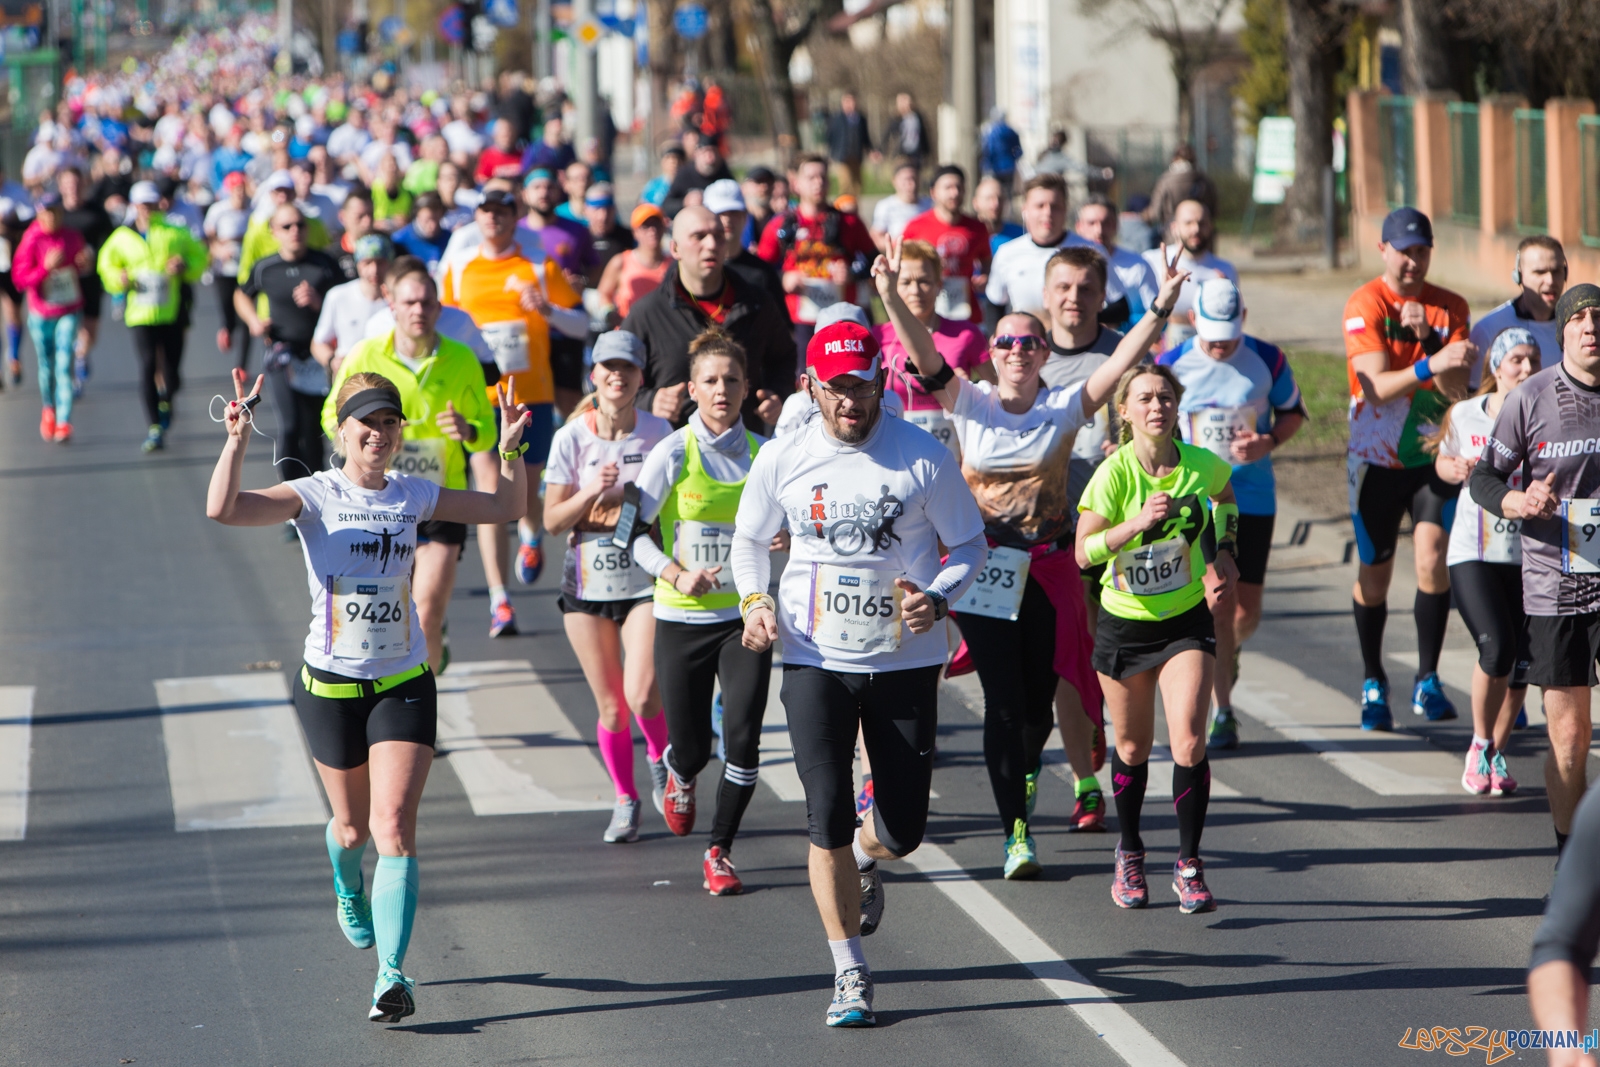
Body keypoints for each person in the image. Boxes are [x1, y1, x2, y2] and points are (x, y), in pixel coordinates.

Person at [206, 367, 530, 1023]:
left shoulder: (413, 492)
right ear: (341, 428)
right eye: (368, 423)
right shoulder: (314, 494)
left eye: (389, 422)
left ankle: (392, 974)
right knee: (352, 828)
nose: (379, 434)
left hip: (404, 681)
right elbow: (225, 508)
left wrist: (511, 449)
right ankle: (346, 881)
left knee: (394, 828)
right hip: (329, 685)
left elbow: (505, 508)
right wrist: (236, 440)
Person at [879, 238, 1185, 877]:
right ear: (991, 356)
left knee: (1041, 705)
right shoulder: (968, 402)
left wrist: (1159, 305)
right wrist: (887, 294)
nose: (1018, 352)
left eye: (1030, 343)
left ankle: (1025, 785)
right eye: (1008, 343)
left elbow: (1123, 357)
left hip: (1049, 570)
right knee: (1005, 701)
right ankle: (1016, 829)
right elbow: (925, 353)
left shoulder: (1062, 408)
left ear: (1046, 355)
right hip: (984, 568)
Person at [733, 320, 987, 1027]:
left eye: (863, 386)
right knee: (827, 814)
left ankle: (873, 856)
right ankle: (849, 970)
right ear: (811, 386)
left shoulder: (920, 458)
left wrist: (937, 596)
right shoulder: (784, 457)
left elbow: (969, 542)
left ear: (882, 381)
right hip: (814, 657)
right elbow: (749, 541)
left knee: (902, 829)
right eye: (837, 388)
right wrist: (754, 601)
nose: (851, 401)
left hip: (902, 660)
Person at [1076, 338, 1242, 916]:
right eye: (1145, 398)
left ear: (1178, 406)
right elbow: (1083, 554)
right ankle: (1130, 851)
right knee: (1131, 745)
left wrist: (1224, 550)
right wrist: (1135, 525)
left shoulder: (1200, 465)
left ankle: (1190, 863)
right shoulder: (1113, 476)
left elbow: (1225, 497)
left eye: (1165, 397)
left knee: (1190, 740)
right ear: (1124, 410)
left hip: (1184, 621)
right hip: (1124, 627)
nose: (1156, 406)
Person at [631, 328, 780, 891]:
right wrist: (675, 573)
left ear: (747, 389)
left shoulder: (767, 455)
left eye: (732, 381)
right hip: (681, 617)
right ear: (691, 388)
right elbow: (632, 535)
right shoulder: (671, 452)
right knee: (694, 746)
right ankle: (679, 770)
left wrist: (787, 537)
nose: (722, 390)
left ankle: (720, 850)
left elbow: (791, 521)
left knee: (742, 735)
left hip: (746, 616)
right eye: (711, 381)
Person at [1470, 284, 1600, 856]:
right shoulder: (1530, 397)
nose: (1591, 326)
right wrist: (1518, 502)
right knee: (1570, 740)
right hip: (1557, 587)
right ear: (1563, 331)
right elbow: (1484, 479)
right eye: (1580, 318)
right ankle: (1570, 861)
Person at [324, 262, 497, 674]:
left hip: (438, 500)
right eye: (409, 302)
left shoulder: (462, 359)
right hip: (378, 500)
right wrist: (357, 447)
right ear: (391, 305)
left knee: (425, 612)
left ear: (439, 309)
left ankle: (423, 715)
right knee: (391, 613)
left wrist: (468, 429)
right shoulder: (367, 354)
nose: (418, 310)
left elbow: (488, 432)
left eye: (426, 302)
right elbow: (331, 415)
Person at [1156, 279, 1305, 750]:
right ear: (1193, 319)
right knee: (1217, 602)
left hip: (1252, 494)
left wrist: (1268, 441)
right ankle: (1224, 711)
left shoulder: (1268, 358)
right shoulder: (1172, 362)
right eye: (1211, 332)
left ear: (1243, 316)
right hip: (1195, 499)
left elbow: (1293, 413)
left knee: (1246, 609)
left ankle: (1229, 652)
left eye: (1229, 332)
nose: (1220, 344)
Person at [1344, 207, 1474, 731]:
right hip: (1375, 458)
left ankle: (1428, 677)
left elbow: (1459, 390)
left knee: (1432, 559)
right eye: (1403, 250)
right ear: (1383, 250)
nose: (1412, 261)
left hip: (1432, 454)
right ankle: (1373, 678)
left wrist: (1431, 341)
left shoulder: (1451, 306)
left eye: (1421, 250)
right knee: (1375, 574)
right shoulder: (1365, 302)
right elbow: (1374, 387)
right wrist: (1427, 364)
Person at [544, 330, 674, 842]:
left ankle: (662, 764)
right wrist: (589, 493)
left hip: (642, 577)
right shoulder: (571, 437)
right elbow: (552, 521)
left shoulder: (660, 431)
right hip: (587, 581)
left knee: (642, 694)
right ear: (593, 376)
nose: (616, 376)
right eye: (607, 368)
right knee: (612, 706)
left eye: (627, 368)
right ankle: (626, 798)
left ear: (640, 378)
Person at [441, 186, 587, 632]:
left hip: (530, 394)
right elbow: (444, 324)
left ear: (514, 217)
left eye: (502, 212)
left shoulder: (538, 266)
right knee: (489, 491)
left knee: (525, 488)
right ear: (478, 217)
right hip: (480, 398)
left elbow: (580, 323)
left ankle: (529, 533)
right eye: (486, 212)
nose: (493, 220)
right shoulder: (459, 267)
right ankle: (499, 600)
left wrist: (547, 310)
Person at [1434, 328, 1537, 796]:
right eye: (1516, 359)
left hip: (1528, 555)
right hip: (1472, 552)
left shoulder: (1544, 416)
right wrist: (1450, 469)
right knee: (1495, 648)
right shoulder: (1465, 414)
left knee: (1521, 663)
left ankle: (1496, 750)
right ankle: (1478, 744)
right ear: (1496, 367)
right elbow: (1443, 459)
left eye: (1533, 359)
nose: (1526, 368)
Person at [623, 206, 793, 432]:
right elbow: (613, 376)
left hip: (745, 449)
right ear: (675, 248)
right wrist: (649, 401)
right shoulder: (648, 312)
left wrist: (778, 394)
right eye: (699, 236)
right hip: (675, 453)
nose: (712, 245)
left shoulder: (757, 303)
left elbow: (785, 356)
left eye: (719, 236)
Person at [234, 204, 345, 481]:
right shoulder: (266, 267)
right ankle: (290, 494)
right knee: (291, 425)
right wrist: (254, 322)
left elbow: (345, 304)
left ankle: (319, 490)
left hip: (320, 356)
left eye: (300, 225)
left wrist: (318, 302)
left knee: (317, 427)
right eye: (287, 226)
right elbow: (241, 294)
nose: (295, 231)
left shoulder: (325, 264)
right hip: (283, 354)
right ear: (274, 232)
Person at [98, 180, 209, 453]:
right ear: (134, 206)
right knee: (147, 366)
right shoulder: (122, 237)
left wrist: (184, 266)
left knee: (172, 370)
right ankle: (154, 426)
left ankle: (167, 399)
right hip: (140, 312)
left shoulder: (174, 231)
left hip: (171, 311)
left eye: (150, 204)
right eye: (142, 205)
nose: (147, 210)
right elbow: (106, 265)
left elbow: (200, 258)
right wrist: (119, 278)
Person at [873, 238, 989, 460]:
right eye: (905, 282)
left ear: (939, 285)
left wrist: (968, 388)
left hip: (954, 457)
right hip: (898, 454)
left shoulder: (966, 333)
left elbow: (996, 392)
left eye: (924, 281)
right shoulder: (878, 336)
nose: (916, 290)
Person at [757, 155, 877, 359]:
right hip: (799, 319)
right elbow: (759, 271)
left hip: (842, 316)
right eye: (811, 177)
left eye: (823, 177)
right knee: (805, 377)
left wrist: (852, 273)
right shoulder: (781, 225)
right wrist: (783, 279)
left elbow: (874, 262)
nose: (818, 182)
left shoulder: (849, 223)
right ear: (796, 183)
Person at [11, 193, 88, 443]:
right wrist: (45, 267)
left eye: (55, 212)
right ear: (39, 214)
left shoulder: (71, 236)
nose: (51, 217)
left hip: (68, 309)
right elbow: (20, 280)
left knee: (64, 364)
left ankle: (64, 421)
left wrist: (82, 263)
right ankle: (49, 408)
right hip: (41, 313)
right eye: (46, 213)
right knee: (47, 366)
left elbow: (81, 266)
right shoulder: (31, 240)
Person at [1467, 234, 1566, 386]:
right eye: (1540, 272)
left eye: (1557, 271)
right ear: (1519, 276)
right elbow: (1476, 395)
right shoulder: (1489, 329)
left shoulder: (1580, 325)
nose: (1551, 280)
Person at [903, 166, 992, 326]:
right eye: (948, 188)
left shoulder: (977, 228)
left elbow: (986, 259)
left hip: (966, 311)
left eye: (959, 187)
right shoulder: (915, 227)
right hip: (924, 310)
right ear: (933, 192)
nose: (954, 193)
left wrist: (984, 276)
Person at [1142, 199, 1237, 347]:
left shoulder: (1225, 269)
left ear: (1210, 227)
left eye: (1202, 223)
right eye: (1188, 223)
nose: (1196, 229)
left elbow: (1233, 322)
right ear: (1174, 227)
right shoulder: (1151, 261)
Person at [984, 172, 1072, 321]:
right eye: (1040, 206)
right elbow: (994, 304)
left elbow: (1118, 306)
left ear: (1065, 209)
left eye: (1055, 206)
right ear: (1025, 210)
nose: (1047, 213)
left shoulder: (1088, 251)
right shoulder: (1007, 253)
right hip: (1025, 342)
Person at [57, 166, 114, 392]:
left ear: (84, 185)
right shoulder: (56, 214)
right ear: (61, 187)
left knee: (90, 327)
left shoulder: (96, 213)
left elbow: (111, 242)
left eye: (77, 184)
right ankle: (71, 373)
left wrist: (93, 256)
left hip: (91, 277)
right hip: (63, 281)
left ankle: (81, 355)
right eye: (68, 184)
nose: (73, 189)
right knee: (68, 327)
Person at [1069, 194, 1161, 329]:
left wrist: (1122, 321)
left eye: (1106, 222)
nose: (1099, 230)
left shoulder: (1138, 265)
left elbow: (1155, 313)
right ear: (1079, 226)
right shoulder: (1068, 266)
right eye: (1091, 223)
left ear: (1116, 225)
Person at [703, 178, 786, 316]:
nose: (727, 219)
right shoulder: (688, 270)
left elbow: (783, 330)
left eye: (733, 212)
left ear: (745, 216)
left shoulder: (763, 273)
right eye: (720, 213)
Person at [313, 234, 393, 377]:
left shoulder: (398, 300)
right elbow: (318, 343)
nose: (374, 270)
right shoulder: (338, 295)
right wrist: (332, 361)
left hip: (387, 378)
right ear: (358, 264)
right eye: (367, 262)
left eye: (380, 262)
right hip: (349, 379)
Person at [205, 171, 254, 370]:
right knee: (228, 310)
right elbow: (209, 239)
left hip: (245, 270)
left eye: (242, 189)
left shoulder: (252, 211)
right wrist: (219, 251)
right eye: (236, 190)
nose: (240, 194)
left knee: (246, 319)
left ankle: (242, 366)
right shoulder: (218, 210)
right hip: (224, 269)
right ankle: (226, 329)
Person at [597, 203, 671, 323]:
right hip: (630, 331)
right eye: (645, 226)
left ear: (663, 227)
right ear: (635, 232)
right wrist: (609, 313)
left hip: (662, 331)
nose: (652, 230)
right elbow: (603, 294)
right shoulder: (621, 262)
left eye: (656, 224)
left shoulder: (674, 264)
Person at [1146, 145, 1219, 239]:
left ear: (1174, 158)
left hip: (1173, 233)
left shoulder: (1165, 181)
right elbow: (1214, 210)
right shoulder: (1204, 180)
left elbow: (1155, 212)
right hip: (1201, 235)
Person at [663, 138, 735, 219]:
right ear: (696, 154)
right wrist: (685, 202)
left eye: (713, 152)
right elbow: (666, 206)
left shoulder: (724, 174)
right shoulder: (684, 174)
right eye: (705, 152)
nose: (710, 158)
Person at [869, 161, 931, 249]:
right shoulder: (885, 206)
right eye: (906, 180)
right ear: (894, 181)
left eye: (914, 179)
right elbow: (876, 238)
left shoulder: (930, 204)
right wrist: (898, 246)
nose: (911, 184)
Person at [826, 93, 874, 199]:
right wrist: (831, 153)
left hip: (856, 156)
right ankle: (843, 207)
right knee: (845, 183)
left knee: (857, 184)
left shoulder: (861, 119)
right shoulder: (836, 118)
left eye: (852, 102)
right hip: (842, 156)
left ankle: (854, 207)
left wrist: (870, 150)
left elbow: (865, 137)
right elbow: (830, 137)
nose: (850, 105)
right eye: (847, 102)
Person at [391, 193, 450, 275]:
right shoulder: (399, 241)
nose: (433, 225)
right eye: (427, 220)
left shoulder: (450, 238)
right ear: (417, 216)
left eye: (436, 219)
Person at [973, 175, 1025, 255]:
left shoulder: (1020, 236)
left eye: (1000, 198)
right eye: (989, 198)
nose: (996, 204)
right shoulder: (967, 236)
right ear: (976, 203)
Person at [979, 108, 1023, 191]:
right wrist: (1013, 159)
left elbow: (988, 150)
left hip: (995, 166)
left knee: (997, 189)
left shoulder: (991, 132)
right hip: (1009, 166)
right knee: (1008, 191)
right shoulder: (1011, 131)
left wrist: (986, 165)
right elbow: (1019, 150)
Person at [885, 93, 928, 175]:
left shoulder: (917, 117)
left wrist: (926, 152)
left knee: (915, 174)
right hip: (902, 152)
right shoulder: (896, 118)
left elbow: (924, 135)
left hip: (916, 152)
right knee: (904, 174)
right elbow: (888, 134)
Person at [640, 144, 684, 208]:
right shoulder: (653, 185)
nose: (675, 164)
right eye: (668, 159)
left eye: (678, 159)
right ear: (662, 162)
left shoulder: (686, 185)